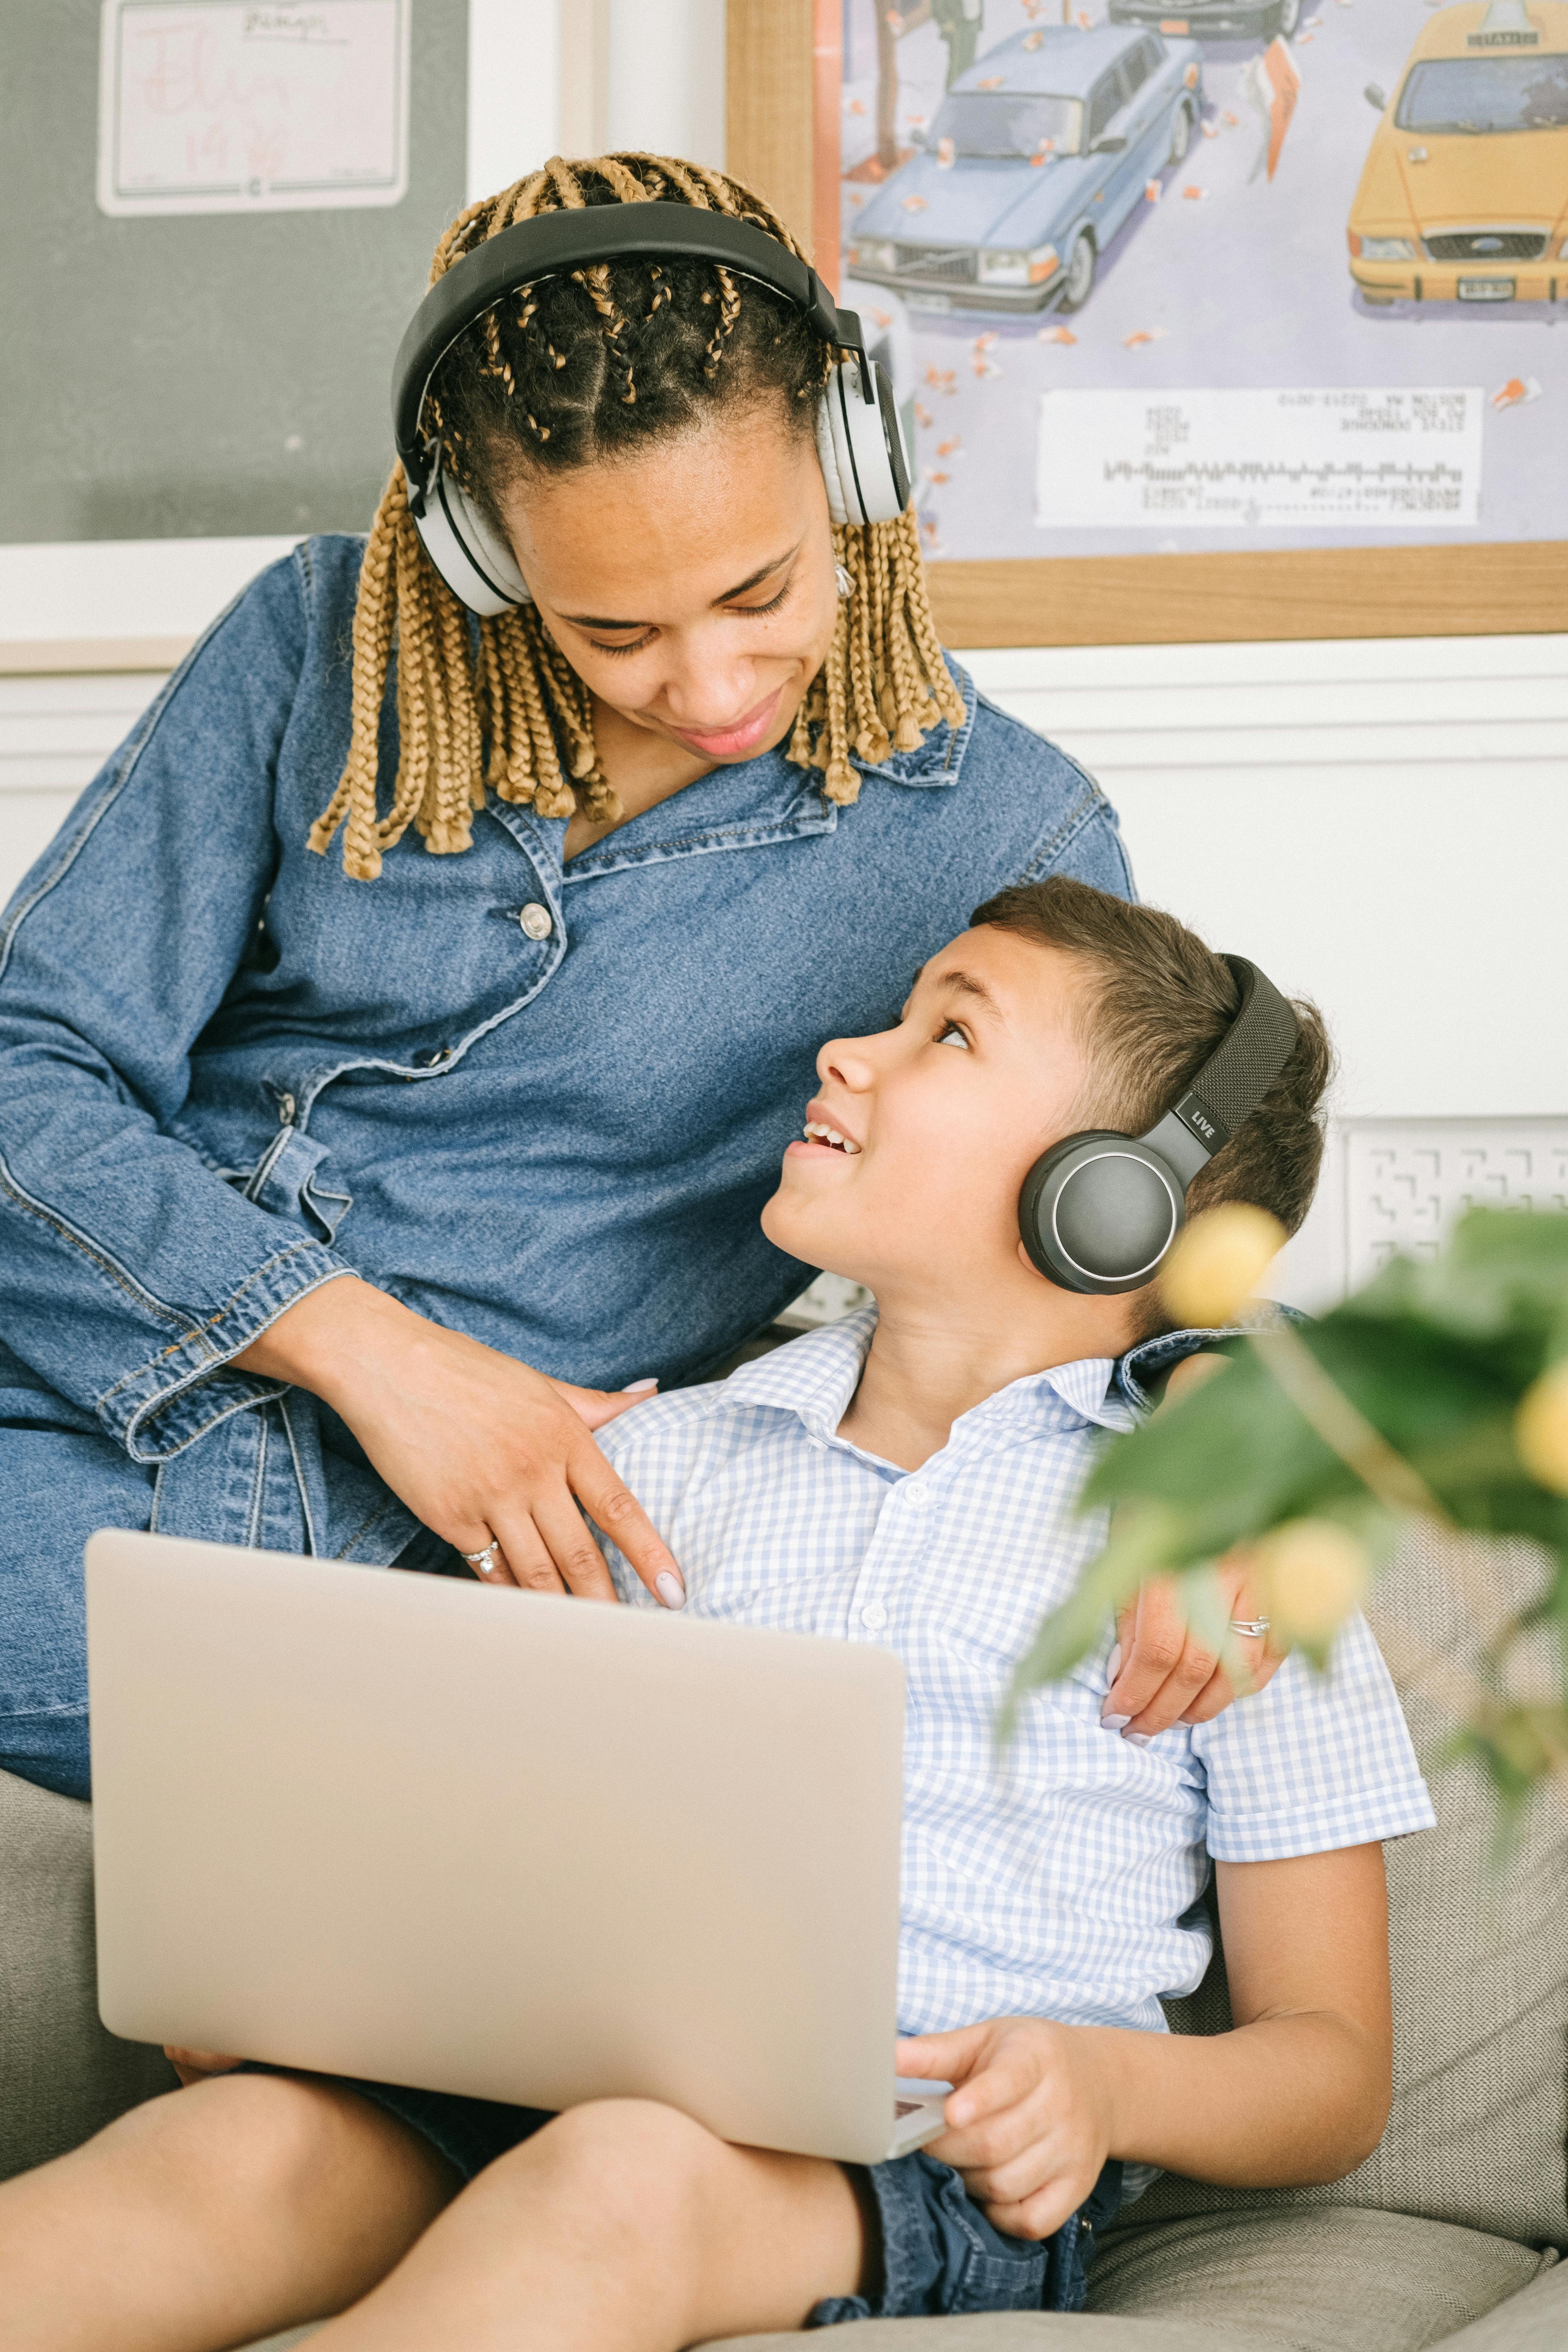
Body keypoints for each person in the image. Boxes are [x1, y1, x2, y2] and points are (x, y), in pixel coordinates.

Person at [0, 879, 1435, 2350]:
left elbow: (1328, 2073)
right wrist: (301, 1976)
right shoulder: (650, 1467)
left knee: (620, 2183)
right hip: (505, 2082)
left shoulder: (1226, 1566)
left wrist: (1104, 2084)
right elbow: (472, 1812)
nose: (845, 1049)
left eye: (945, 1033)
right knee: (229, 2158)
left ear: (1107, 1197)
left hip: (899, 2164)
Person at [0, 154, 1265, 1806]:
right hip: (72, 1399)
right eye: (610, 632)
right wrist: (376, 1357)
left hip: (462, 1573)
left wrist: (1216, 1414)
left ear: (854, 461)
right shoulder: (319, 651)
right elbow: (29, 1067)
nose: (712, 684)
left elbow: (1110, 1215)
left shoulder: (1008, 832)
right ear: (476, 546)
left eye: (760, 591)